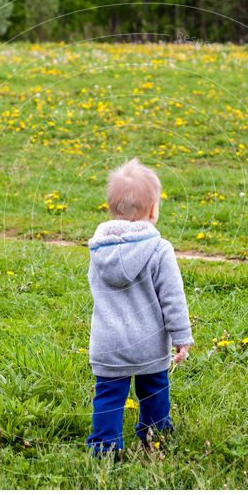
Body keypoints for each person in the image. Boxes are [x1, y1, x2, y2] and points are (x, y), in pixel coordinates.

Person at [86, 158, 194, 455]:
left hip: (108, 342)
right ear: (153, 210)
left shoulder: (98, 249)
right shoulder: (159, 249)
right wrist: (182, 336)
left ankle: (104, 446)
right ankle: (155, 433)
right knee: (154, 389)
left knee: (108, 396)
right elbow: (172, 297)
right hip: (149, 342)